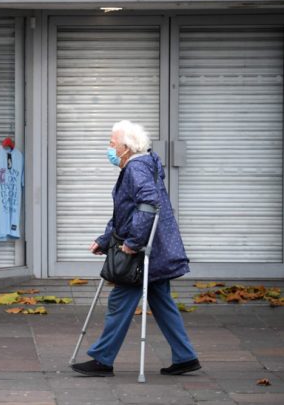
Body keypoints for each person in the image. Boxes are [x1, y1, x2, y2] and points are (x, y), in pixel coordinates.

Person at [71, 120, 200, 377]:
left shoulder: (135, 168)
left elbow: (148, 204)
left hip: (141, 253)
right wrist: (106, 240)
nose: (109, 147)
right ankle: (185, 356)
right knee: (162, 302)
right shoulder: (139, 166)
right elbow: (124, 213)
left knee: (119, 301)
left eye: (112, 142)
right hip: (155, 249)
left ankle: (102, 359)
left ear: (126, 147)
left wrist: (133, 243)